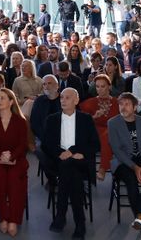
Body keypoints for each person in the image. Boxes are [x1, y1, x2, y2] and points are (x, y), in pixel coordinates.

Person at [42, 88, 99, 239]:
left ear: (76, 101)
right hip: (59, 161)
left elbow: (95, 144)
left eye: (67, 98)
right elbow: (46, 144)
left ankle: (61, 216)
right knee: (72, 173)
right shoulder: (52, 119)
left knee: (70, 168)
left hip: (80, 161)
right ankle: (80, 222)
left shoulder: (86, 119)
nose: (63, 100)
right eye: (61, 97)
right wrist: (60, 153)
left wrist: (77, 152)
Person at [108, 92, 141, 238]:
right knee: (131, 180)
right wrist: (135, 167)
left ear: (135, 107)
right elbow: (117, 150)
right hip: (122, 162)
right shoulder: (113, 123)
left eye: (126, 104)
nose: (122, 108)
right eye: (120, 104)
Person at [0, 88, 29, 237]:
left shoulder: (20, 121)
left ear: (11, 102)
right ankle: (4, 217)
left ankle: (14, 220)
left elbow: (23, 144)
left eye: (2, 98)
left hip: (16, 158)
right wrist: (0, 156)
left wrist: (11, 157)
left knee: (15, 179)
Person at [79, 75, 118, 181]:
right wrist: (94, 117)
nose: (99, 89)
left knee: (109, 134)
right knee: (107, 135)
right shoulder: (89, 102)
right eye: (97, 86)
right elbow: (81, 123)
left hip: (113, 132)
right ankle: (102, 168)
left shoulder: (117, 102)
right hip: (94, 132)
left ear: (109, 87)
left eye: (103, 86)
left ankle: (103, 168)